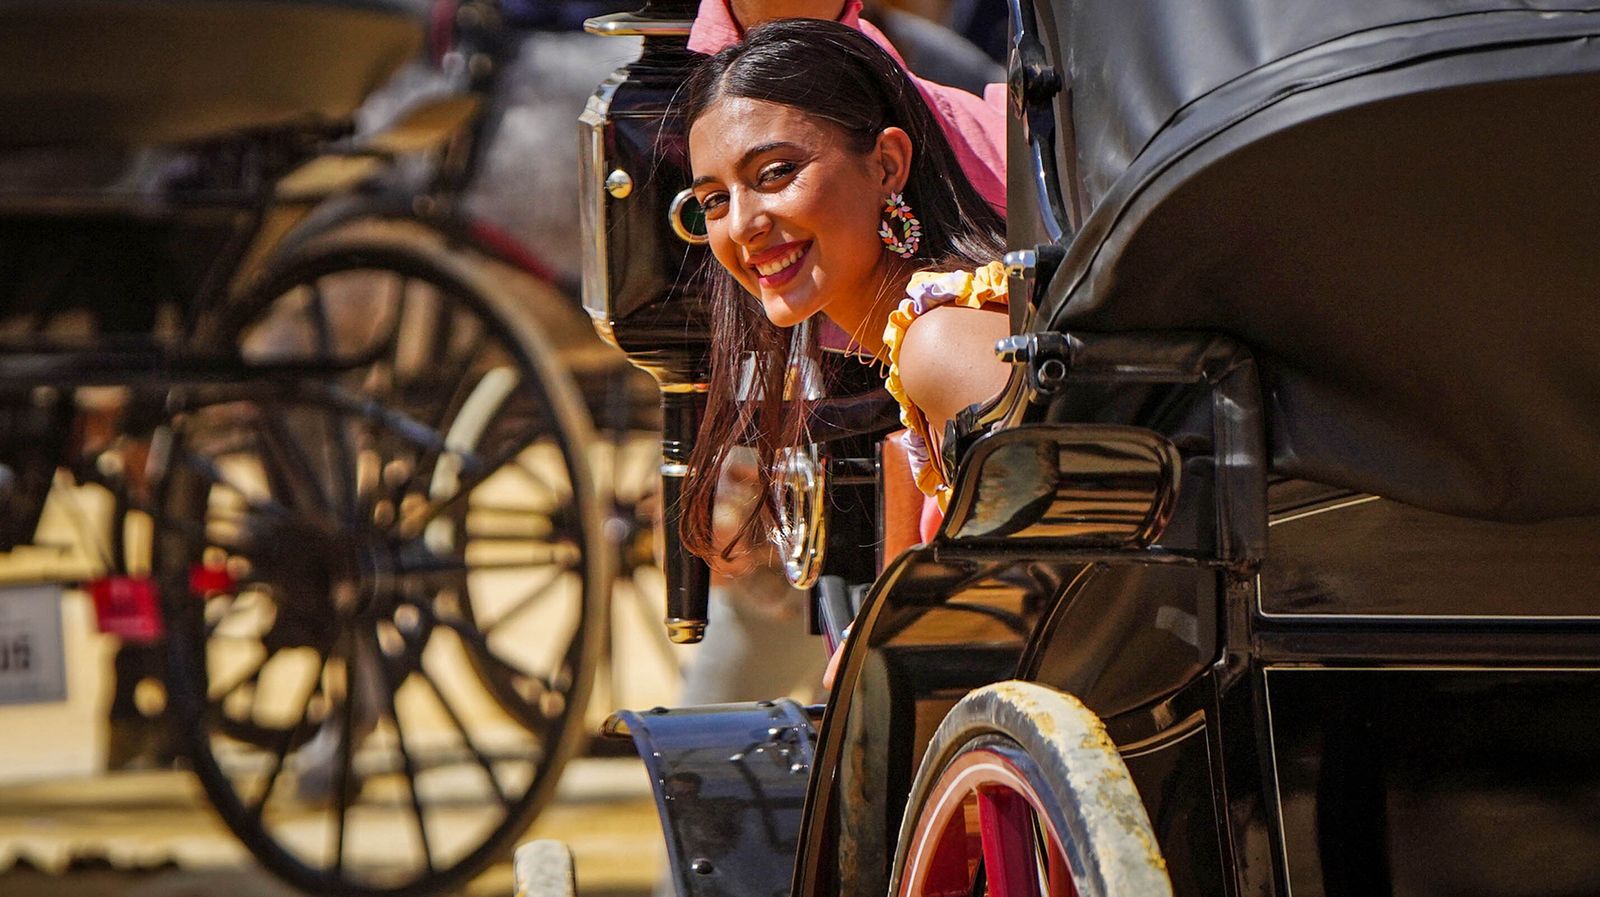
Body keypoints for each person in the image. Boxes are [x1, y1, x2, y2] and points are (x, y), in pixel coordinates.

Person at [677, 19, 1012, 590]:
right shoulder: (922, 345)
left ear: (886, 164)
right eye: (713, 200)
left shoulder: (942, 342)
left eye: (776, 173)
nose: (742, 224)